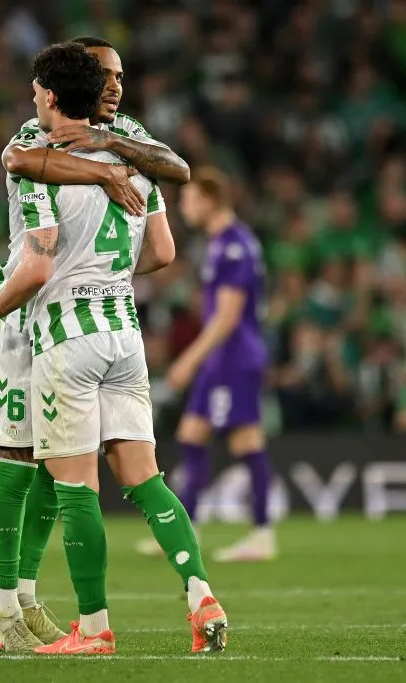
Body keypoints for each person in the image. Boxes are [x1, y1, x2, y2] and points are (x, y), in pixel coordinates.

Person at [0, 42, 227, 655]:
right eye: (105, 75)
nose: (114, 86)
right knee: (85, 468)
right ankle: (24, 605)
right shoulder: (133, 149)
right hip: (120, 324)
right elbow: (162, 250)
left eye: (119, 77)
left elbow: (39, 253)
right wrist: (111, 174)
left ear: (52, 91)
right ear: (84, 80)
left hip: (48, 321)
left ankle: (53, 615)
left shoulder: (64, 144)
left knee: (49, 470)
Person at [136, 166, 273, 562]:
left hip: (235, 358)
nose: (185, 207)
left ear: (210, 201)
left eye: (191, 200)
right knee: (191, 435)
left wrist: (188, 361)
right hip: (220, 360)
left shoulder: (234, 246)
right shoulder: (219, 244)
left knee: (246, 441)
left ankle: (262, 534)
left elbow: (228, 317)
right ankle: (185, 531)